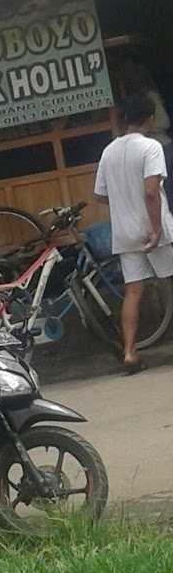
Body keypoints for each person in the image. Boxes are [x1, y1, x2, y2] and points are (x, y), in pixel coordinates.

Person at [94, 93, 173, 375]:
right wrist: (155, 229)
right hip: (154, 229)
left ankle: (129, 352)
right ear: (150, 119)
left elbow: (100, 195)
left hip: (125, 233)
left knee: (133, 291)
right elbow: (151, 191)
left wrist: (123, 200)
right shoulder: (151, 147)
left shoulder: (109, 151)